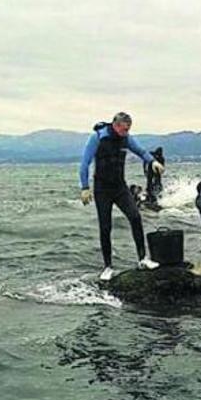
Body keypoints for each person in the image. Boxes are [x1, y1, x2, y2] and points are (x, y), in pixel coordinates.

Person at [79, 112, 165, 281]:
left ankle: (142, 259)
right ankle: (107, 267)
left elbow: (141, 151)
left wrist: (152, 161)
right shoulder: (97, 137)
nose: (127, 132)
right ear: (116, 125)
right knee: (105, 227)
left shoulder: (126, 138)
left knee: (135, 217)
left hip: (120, 187)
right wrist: (85, 187)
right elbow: (85, 163)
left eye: (129, 129)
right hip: (102, 189)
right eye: (125, 129)